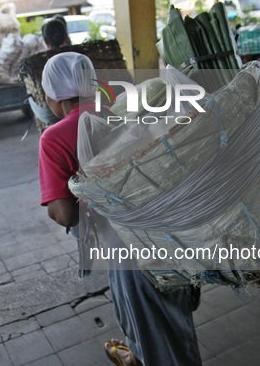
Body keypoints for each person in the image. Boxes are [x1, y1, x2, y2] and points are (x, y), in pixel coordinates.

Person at [38, 52, 202, 365]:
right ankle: (134, 355)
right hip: (168, 232)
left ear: (54, 97)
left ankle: (141, 356)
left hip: (127, 250)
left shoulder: (54, 138)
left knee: (158, 339)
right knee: (172, 325)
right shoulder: (122, 111)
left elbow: (66, 215)